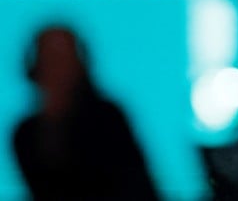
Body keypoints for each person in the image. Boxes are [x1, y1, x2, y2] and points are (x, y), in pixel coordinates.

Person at [12, 24, 161, 201]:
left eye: (64, 59)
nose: (58, 69)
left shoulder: (107, 120)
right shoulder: (26, 133)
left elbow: (134, 186)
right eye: (51, 58)